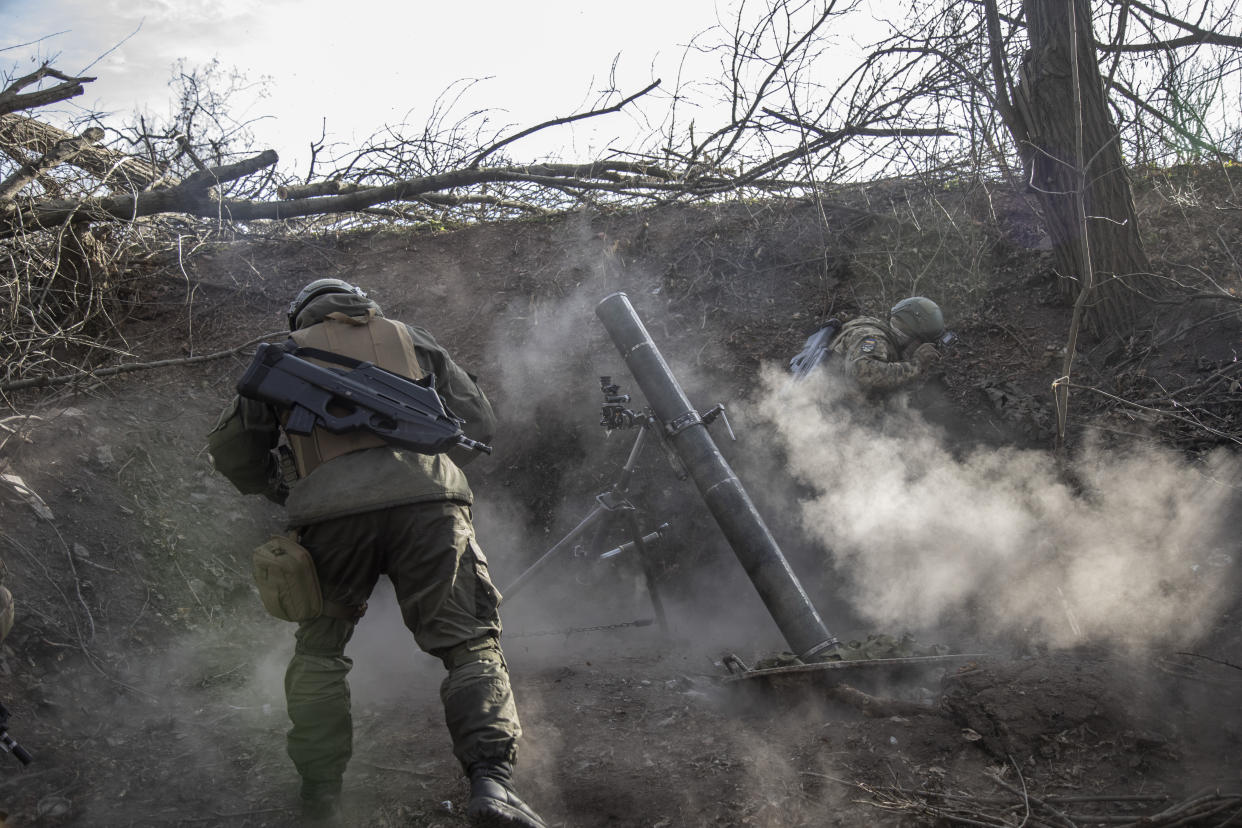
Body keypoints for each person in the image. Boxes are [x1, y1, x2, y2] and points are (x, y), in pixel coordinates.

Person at [206, 278, 546, 828]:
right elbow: (477, 421)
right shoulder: (411, 339)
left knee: (320, 649)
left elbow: (232, 451)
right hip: (431, 507)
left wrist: (287, 488)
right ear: (365, 307)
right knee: (468, 644)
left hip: (330, 515)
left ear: (302, 316)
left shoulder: (286, 355)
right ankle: (492, 783)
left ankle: (321, 799)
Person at [827, 296, 947, 393]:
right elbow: (863, 374)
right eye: (920, 343)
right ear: (910, 336)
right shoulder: (874, 338)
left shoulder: (883, 332)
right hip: (829, 408)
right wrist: (916, 365)